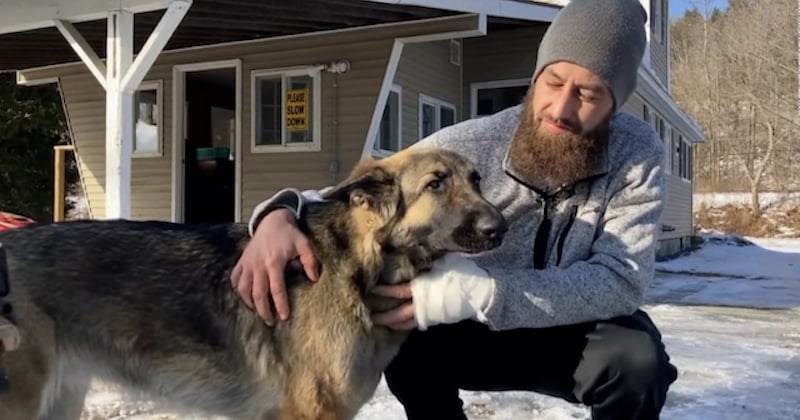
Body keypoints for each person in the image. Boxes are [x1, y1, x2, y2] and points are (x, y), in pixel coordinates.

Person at [230, 0, 679, 418]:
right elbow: (355, 193)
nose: (561, 108)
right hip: (466, 331)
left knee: (637, 360)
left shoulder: (635, 154)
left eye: (589, 93)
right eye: (554, 82)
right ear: (536, 76)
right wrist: (279, 214)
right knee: (399, 322)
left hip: (570, 331)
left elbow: (621, 279)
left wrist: (484, 291)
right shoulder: (471, 144)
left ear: (614, 104)